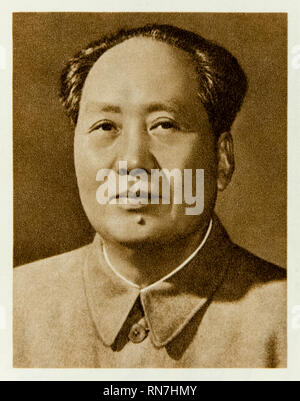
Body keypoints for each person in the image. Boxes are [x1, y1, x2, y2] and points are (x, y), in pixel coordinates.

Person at [13, 24, 286, 368]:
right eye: (105, 127)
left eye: (165, 125)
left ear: (222, 160)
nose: (132, 163)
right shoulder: (12, 306)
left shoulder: (286, 319)